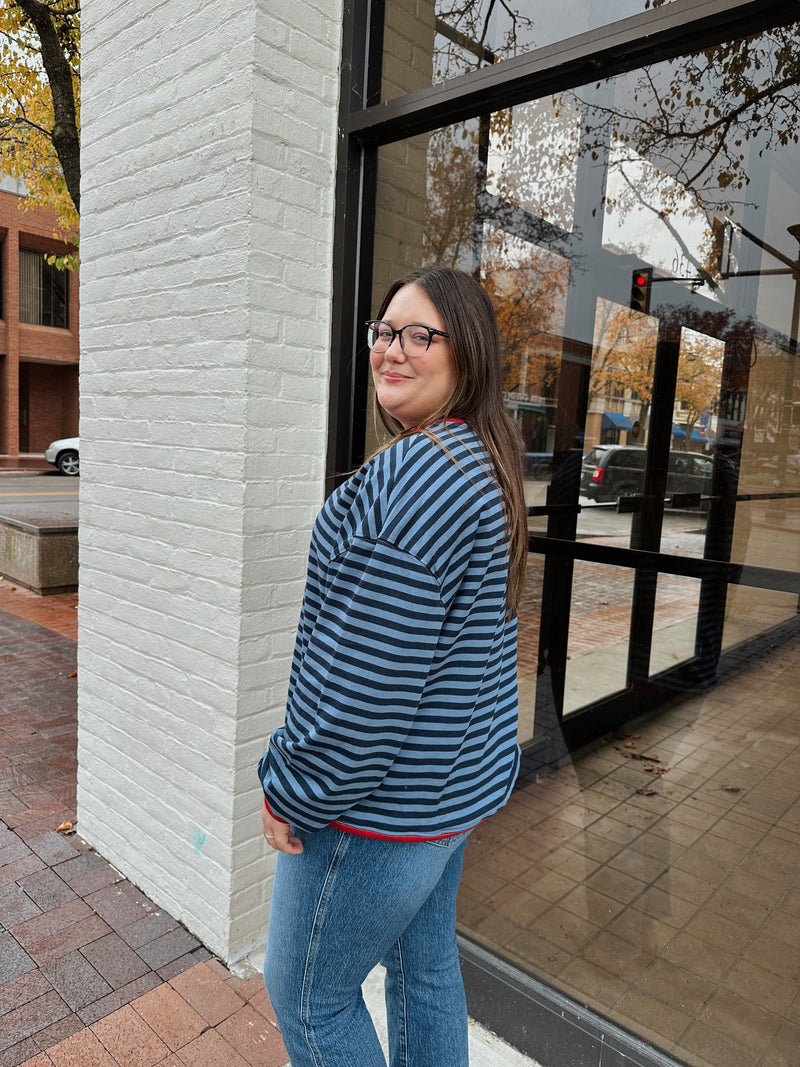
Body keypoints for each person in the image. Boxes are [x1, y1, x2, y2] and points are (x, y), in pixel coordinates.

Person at [258, 265, 528, 1066]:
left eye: (420, 335)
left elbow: (360, 694)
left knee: (308, 994)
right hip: (447, 801)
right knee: (425, 967)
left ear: (466, 354)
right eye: (384, 332)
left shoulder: (416, 478)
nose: (392, 350)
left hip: (377, 815)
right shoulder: (483, 464)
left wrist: (291, 788)